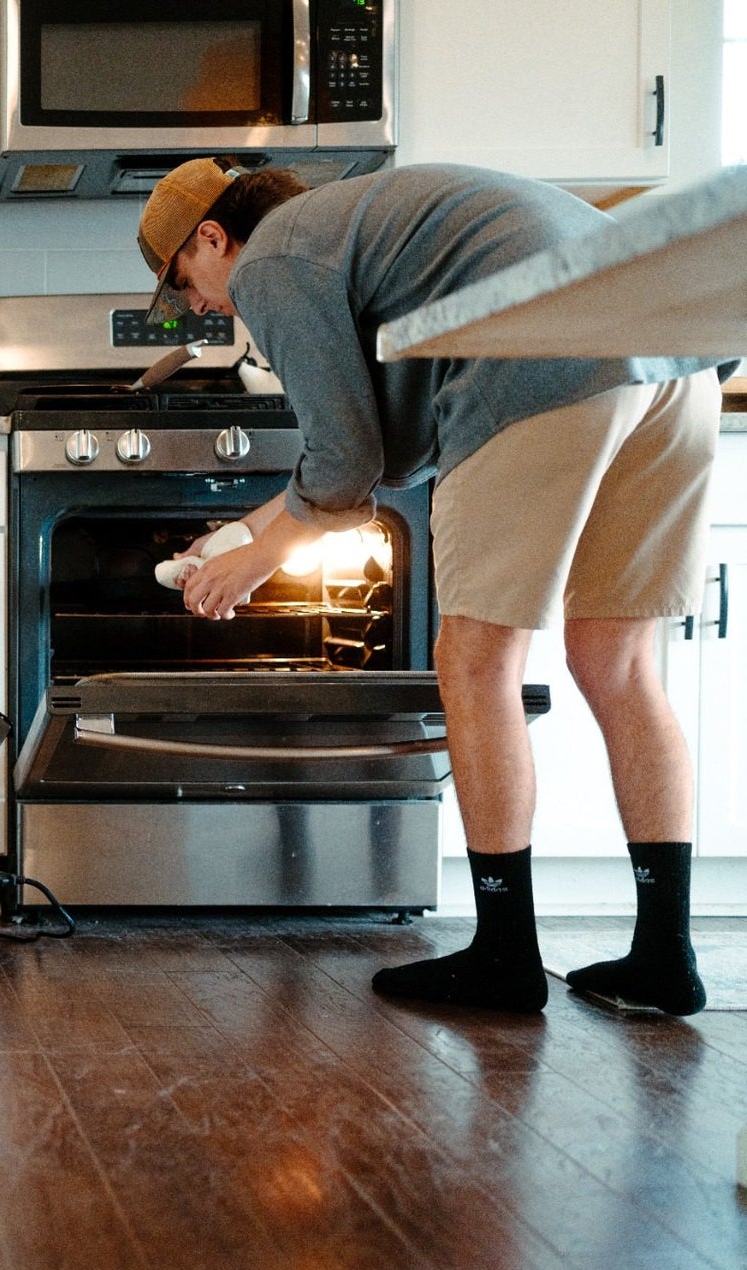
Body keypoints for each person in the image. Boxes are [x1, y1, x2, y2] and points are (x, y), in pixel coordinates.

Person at [138, 156, 733, 1015]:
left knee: (475, 660)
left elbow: (345, 469)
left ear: (213, 237)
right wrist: (245, 534)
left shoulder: (271, 263)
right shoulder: (350, 228)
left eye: (183, 282)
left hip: (545, 360)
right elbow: (377, 457)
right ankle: (664, 956)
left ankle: (504, 954)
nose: (195, 306)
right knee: (620, 662)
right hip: (673, 367)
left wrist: (254, 563)